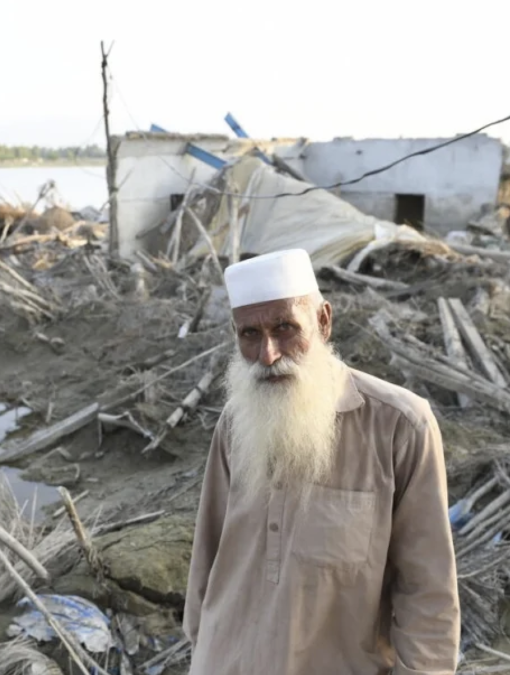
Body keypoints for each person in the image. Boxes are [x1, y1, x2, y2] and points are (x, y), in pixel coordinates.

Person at [183, 249, 460, 674]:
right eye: (250, 335)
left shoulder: (400, 425)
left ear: (324, 321)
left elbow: (428, 590)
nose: (269, 354)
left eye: (285, 328)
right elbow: (208, 554)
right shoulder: (236, 422)